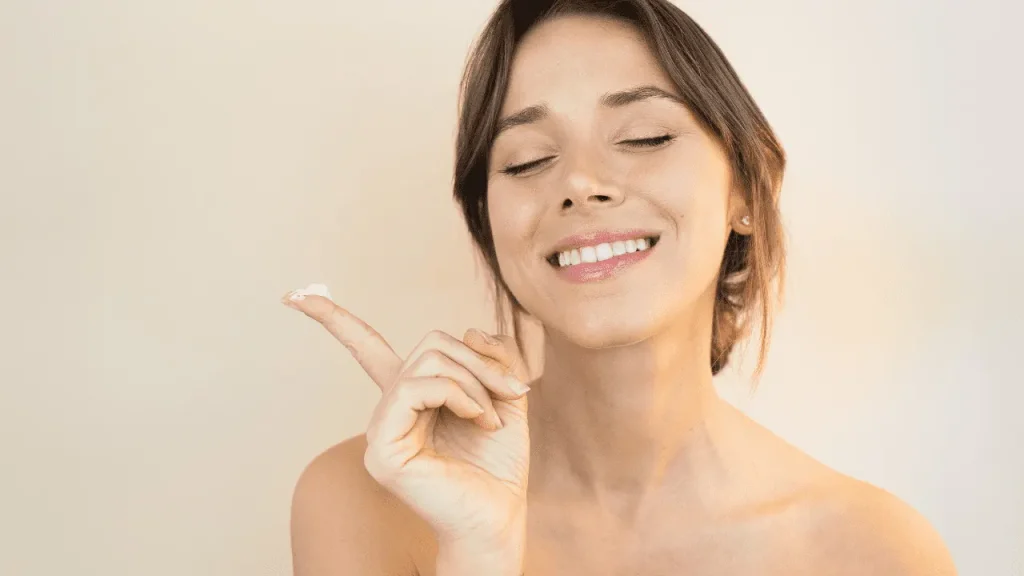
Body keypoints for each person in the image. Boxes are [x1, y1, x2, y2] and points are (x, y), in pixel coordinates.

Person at [282, 1, 957, 574]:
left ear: (747, 191)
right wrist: (477, 550)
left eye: (644, 137)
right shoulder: (365, 498)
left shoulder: (875, 550)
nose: (579, 182)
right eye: (530, 159)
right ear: (490, 227)